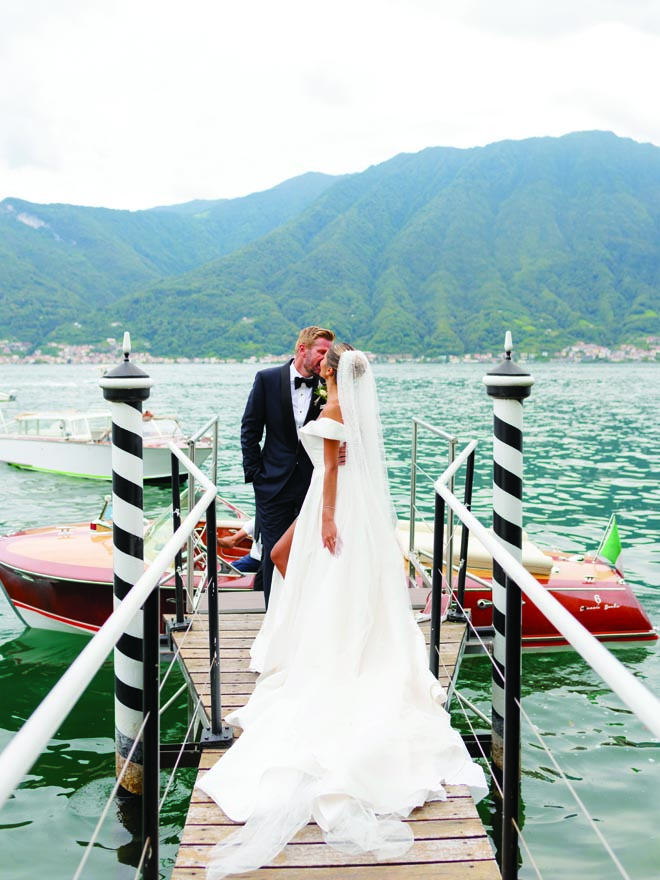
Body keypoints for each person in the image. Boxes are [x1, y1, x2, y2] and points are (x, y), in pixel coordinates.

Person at [198, 343, 487, 878]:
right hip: (339, 504)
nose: (319, 370)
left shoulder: (332, 411)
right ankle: (337, 641)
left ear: (330, 375)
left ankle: (320, 649)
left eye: (326, 367)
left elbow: (328, 474)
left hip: (328, 509)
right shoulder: (347, 412)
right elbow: (311, 450)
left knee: (313, 573)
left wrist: (327, 520)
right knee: (330, 579)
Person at [240, 325, 335, 606]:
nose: (325, 359)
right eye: (321, 352)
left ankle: (307, 614)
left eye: (329, 353)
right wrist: (256, 476)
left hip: (313, 484)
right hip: (272, 486)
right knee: (273, 554)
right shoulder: (267, 379)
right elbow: (250, 429)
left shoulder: (328, 385)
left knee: (313, 552)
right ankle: (275, 619)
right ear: (302, 350)